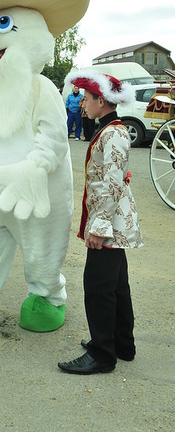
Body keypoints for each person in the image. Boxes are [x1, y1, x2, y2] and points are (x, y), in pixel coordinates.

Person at [58, 70, 143, 375]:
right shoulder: (110, 130)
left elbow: (112, 182)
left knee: (98, 287)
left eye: (86, 97)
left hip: (109, 224)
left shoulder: (114, 132)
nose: (82, 103)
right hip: (110, 221)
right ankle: (122, 344)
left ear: (101, 100)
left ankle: (102, 353)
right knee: (117, 285)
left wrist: (99, 227)